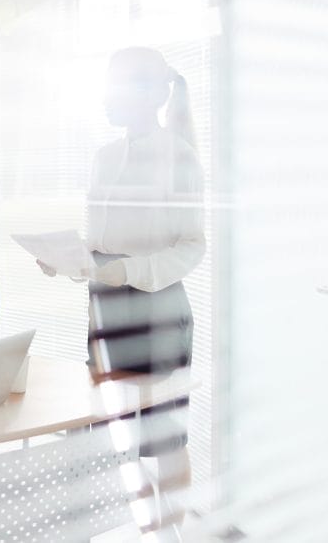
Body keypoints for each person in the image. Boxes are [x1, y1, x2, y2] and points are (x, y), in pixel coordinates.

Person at [38, 47, 205, 527]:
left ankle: (172, 534)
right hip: (105, 308)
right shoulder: (104, 157)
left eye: (117, 84)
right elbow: (102, 243)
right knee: (108, 434)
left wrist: (128, 272)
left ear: (152, 94)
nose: (106, 95)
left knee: (163, 440)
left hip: (157, 311)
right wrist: (69, 259)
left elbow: (192, 246)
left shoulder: (179, 157)